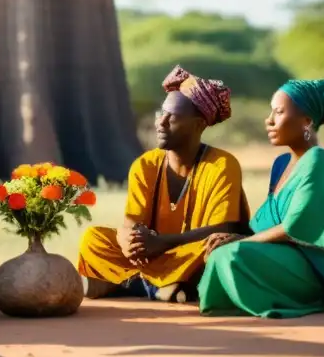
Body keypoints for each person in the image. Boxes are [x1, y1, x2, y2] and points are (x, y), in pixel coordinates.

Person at [198, 77, 324, 318]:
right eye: (270, 112)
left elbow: (297, 227)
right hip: (294, 256)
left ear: (307, 121)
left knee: (233, 255)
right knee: (219, 252)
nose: (269, 120)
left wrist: (240, 242)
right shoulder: (281, 164)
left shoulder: (318, 161)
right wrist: (235, 236)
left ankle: (318, 296)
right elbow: (268, 224)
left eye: (279, 112)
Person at [77, 65, 249, 303]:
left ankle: (130, 284)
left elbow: (223, 230)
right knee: (94, 238)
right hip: (152, 254)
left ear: (198, 125)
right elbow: (131, 224)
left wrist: (162, 243)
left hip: (187, 251)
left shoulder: (222, 164)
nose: (161, 122)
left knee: (214, 249)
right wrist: (127, 241)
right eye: (161, 114)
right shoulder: (144, 164)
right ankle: (161, 287)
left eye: (173, 117)